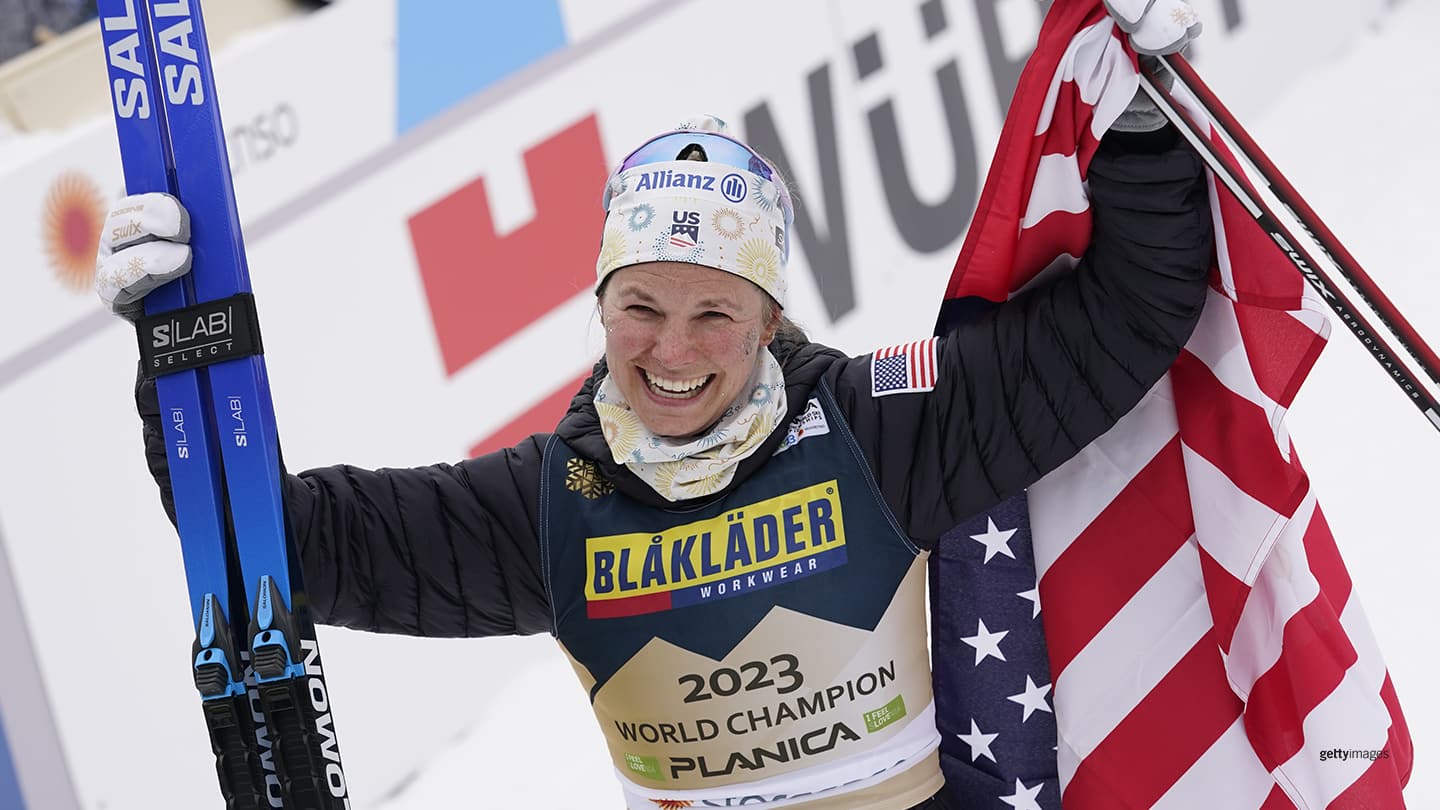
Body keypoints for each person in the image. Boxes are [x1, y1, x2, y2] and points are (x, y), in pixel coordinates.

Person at [96, 5, 1209, 808]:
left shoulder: (880, 430)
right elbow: (281, 550)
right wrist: (180, 345)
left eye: (715, 312)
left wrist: (1146, 115)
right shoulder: (549, 503)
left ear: (771, 317)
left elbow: (1127, 317)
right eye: (640, 307)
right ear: (600, 304)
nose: (671, 352)